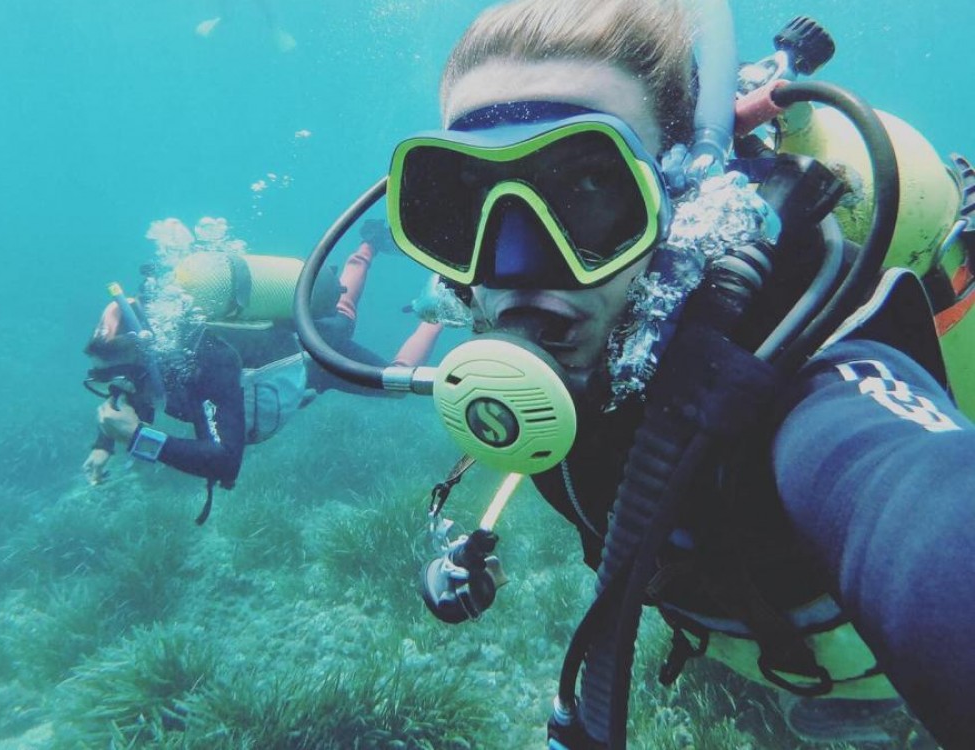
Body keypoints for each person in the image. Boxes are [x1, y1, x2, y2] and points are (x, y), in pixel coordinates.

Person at [336, 1, 975, 748]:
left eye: (590, 188)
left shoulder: (804, 371)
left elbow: (910, 501)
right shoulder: (560, 370)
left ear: (682, 206)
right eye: (470, 199)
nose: (515, 267)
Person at [83, 221, 441, 523]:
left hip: (320, 357)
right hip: (299, 327)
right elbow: (132, 391)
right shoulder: (159, 347)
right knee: (342, 311)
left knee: (393, 380)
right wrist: (104, 444)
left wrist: (136, 438)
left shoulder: (206, 362)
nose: (117, 389)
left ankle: (442, 305)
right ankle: (370, 243)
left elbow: (225, 462)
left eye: (116, 378)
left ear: (143, 357)